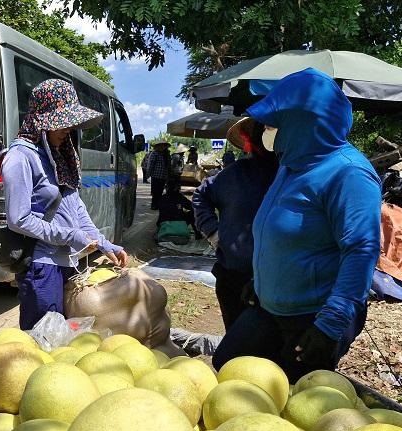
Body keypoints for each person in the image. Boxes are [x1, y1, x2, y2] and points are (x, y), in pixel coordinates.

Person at [212, 68, 381, 381]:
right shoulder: (290, 164)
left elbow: (361, 250)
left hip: (312, 316)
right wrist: (261, 280)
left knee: (289, 400)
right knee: (227, 365)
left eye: (275, 122)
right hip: (269, 306)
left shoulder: (349, 174)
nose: (267, 129)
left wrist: (331, 324)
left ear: (305, 122)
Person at [3, 79, 128, 330]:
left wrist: (104, 244)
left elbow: (75, 207)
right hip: (41, 268)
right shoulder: (20, 157)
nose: (67, 129)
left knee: (65, 340)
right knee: (43, 342)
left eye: (69, 123)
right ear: (40, 120)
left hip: (67, 265)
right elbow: (18, 219)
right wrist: (71, 236)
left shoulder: (59, 156)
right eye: (61, 123)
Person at [192, 118, 279, 329]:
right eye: (263, 130)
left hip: (281, 281)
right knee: (237, 350)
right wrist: (214, 233)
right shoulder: (234, 174)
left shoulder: (294, 174)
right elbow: (200, 196)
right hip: (235, 275)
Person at [146, 140, 170, 209]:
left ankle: (158, 204)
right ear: (157, 146)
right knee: (155, 191)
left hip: (163, 176)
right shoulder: (154, 153)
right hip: (155, 176)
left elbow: (168, 165)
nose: (162, 147)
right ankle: (154, 205)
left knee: (160, 191)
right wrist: (148, 174)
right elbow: (151, 165)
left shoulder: (166, 154)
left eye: (163, 145)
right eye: (160, 145)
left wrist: (168, 174)